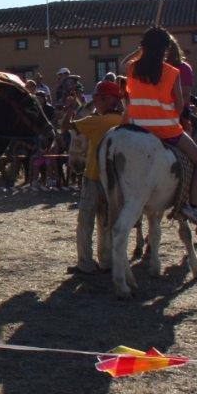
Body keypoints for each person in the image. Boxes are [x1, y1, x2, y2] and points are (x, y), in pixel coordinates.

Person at [121, 27, 197, 228]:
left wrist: (139, 51)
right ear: (165, 49)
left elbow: (122, 64)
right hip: (167, 131)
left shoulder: (132, 69)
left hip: (136, 129)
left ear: (144, 47)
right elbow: (179, 105)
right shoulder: (172, 72)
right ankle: (192, 206)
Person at [66, 80, 123, 274]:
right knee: (106, 223)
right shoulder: (124, 121)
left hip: (92, 177)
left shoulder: (96, 122)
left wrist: (70, 108)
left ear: (106, 99)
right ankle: (106, 262)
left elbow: (66, 126)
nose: (95, 102)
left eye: (97, 99)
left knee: (85, 222)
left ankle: (85, 263)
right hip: (114, 182)